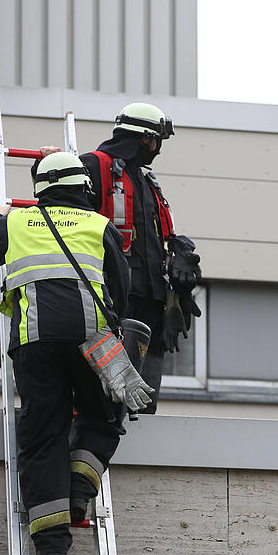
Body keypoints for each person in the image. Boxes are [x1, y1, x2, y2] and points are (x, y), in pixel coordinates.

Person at [0, 151, 151, 555]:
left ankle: (52, 547)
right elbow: (120, 290)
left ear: (41, 190)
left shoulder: (16, 222)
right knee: (105, 415)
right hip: (92, 337)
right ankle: (79, 488)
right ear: (84, 187)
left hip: (34, 341)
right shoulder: (99, 224)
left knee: (42, 436)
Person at [39, 102, 202, 413]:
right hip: (112, 297)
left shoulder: (146, 181)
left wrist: (181, 252)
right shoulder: (92, 166)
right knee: (105, 398)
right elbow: (58, 209)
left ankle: (137, 454)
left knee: (144, 397)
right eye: (157, 142)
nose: (157, 151)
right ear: (144, 138)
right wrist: (50, 164)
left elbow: (161, 236)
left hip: (151, 300)